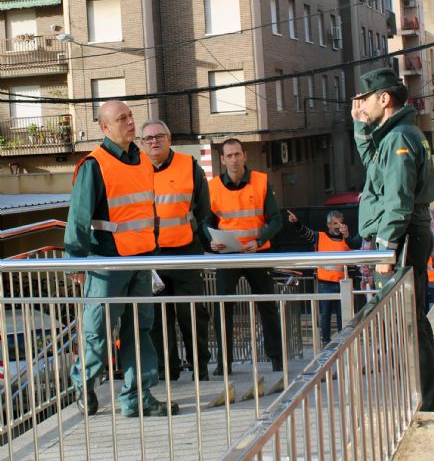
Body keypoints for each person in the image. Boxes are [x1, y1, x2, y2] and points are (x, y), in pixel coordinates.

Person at [65, 100, 179, 418]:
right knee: (97, 334)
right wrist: (75, 260)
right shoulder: (94, 164)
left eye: (130, 116)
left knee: (139, 332)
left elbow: (145, 209)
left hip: (140, 261)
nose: (130, 122)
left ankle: (137, 398)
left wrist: (153, 250)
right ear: (105, 127)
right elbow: (78, 216)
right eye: (121, 118)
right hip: (106, 263)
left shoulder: (142, 161)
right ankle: (82, 382)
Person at [351, 67, 434, 412]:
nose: (363, 103)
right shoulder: (396, 135)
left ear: (384, 98)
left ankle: (428, 403)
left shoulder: (400, 138)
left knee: (409, 322)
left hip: (402, 239)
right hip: (402, 237)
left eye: (368, 98)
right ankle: (424, 400)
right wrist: (361, 125)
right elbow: (375, 167)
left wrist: (387, 249)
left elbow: (398, 200)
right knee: (407, 322)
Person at [140, 120, 211, 381]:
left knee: (191, 313)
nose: (154, 142)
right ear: (142, 144)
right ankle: (166, 370)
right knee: (158, 319)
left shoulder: (189, 166)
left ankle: (199, 367)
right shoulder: (135, 170)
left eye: (159, 136)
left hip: (185, 253)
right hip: (151, 256)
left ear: (169, 139)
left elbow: (203, 208)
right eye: (148, 139)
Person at [206, 138, 283, 376]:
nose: (234, 159)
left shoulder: (261, 181)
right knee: (222, 309)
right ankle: (224, 363)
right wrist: (210, 241)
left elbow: (276, 220)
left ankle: (277, 359)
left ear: (245, 156)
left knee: (267, 306)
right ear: (222, 160)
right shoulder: (213, 187)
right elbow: (205, 223)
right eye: (229, 155)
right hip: (227, 256)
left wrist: (258, 241)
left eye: (237, 154)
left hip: (257, 253)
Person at [287, 209, 354, 346]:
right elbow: (305, 233)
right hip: (325, 283)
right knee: (325, 315)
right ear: (328, 224)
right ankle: (326, 342)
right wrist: (296, 223)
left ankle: (343, 342)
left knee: (343, 316)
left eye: (340, 223)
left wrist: (347, 235)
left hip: (343, 283)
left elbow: (355, 249)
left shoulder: (345, 238)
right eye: (335, 223)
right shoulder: (320, 237)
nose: (338, 226)